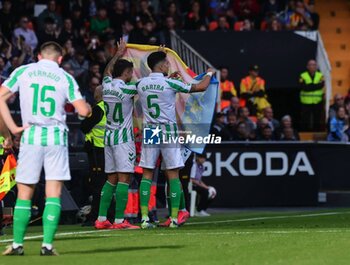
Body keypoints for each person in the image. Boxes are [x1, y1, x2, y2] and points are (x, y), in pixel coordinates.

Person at [0, 41, 91, 256]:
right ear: (60, 59)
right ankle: (47, 246)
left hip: (30, 136)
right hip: (55, 137)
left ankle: (17, 245)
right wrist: (85, 108)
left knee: (24, 192)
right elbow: (83, 110)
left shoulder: (23, 71)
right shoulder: (64, 77)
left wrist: (13, 129)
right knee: (53, 193)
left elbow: (1, 97)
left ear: (39, 56)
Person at [135, 49, 213, 228]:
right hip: (168, 131)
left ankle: (145, 218)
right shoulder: (170, 83)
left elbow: (156, 84)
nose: (168, 65)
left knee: (147, 174)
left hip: (150, 131)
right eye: (167, 63)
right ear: (162, 65)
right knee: (173, 175)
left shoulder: (140, 83)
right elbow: (200, 87)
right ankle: (174, 218)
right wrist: (209, 73)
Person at [94, 39, 139, 230]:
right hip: (123, 139)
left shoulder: (107, 85)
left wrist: (118, 53)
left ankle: (101, 218)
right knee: (124, 179)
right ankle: (120, 221)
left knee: (110, 179)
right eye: (130, 72)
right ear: (127, 73)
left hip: (108, 137)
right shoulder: (129, 88)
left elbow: (106, 72)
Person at [80, 85, 106, 226]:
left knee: (97, 186)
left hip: (97, 151)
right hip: (109, 149)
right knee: (107, 185)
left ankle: (95, 216)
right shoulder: (110, 107)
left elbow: (84, 127)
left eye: (96, 93)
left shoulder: (98, 109)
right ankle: (108, 214)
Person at [299, 59, 324, 131]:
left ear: (316, 66)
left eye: (314, 65)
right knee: (305, 119)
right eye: (310, 64)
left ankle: (316, 132)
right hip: (306, 102)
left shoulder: (320, 75)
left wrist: (309, 86)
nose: (312, 66)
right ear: (307, 66)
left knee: (317, 118)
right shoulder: (302, 75)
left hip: (317, 101)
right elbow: (303, 87)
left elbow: (321, 85)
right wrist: (315, 86)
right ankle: (304, 133)